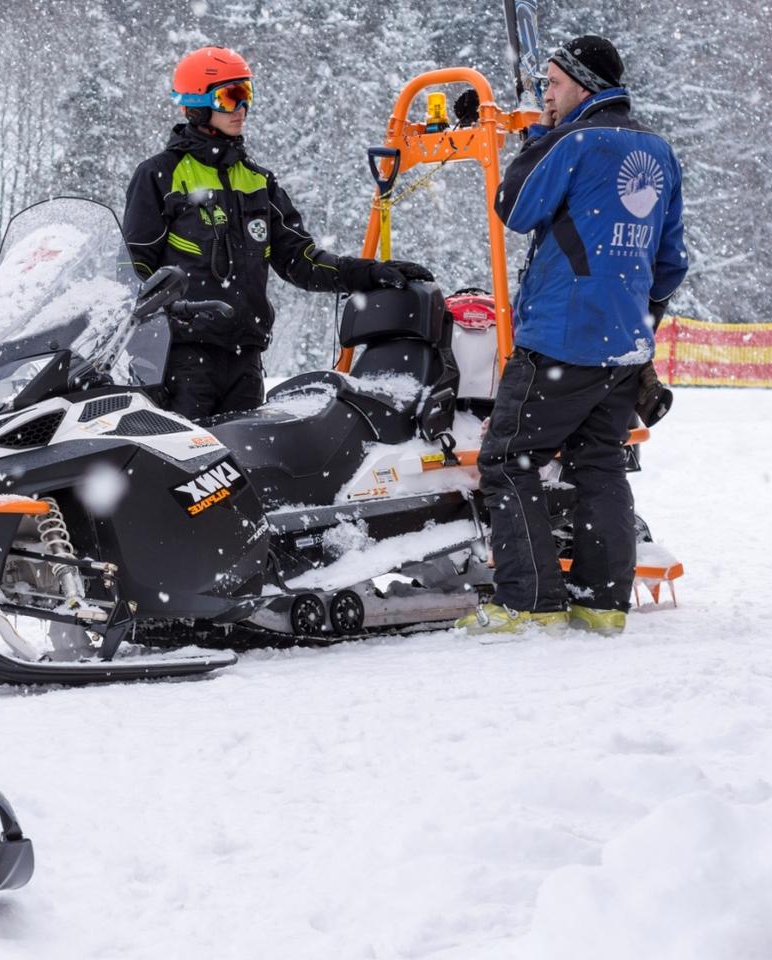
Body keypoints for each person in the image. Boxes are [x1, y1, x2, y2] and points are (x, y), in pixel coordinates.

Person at [459, 35, 688, 637]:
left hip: (561, 339)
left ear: (583, 86)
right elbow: (670, 263)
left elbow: (512, 205)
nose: (545, 98)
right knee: (600, 464)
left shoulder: (572, 141)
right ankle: (600, 603)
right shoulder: (658, 150)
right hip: (623, 346)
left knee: (507, 458)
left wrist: (537, 141)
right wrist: (639, 321)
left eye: (553, 86)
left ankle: (530, 603)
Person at [123, 45, 433, 420]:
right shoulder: (161, 176)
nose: (242, 108)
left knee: (245, 472)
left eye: (246, 95)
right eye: (230, 96)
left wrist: (368, 273)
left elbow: (301, 261)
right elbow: (132, 271)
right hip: (183, 360)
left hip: (245, 360)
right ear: (197, 104)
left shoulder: (258, 181)